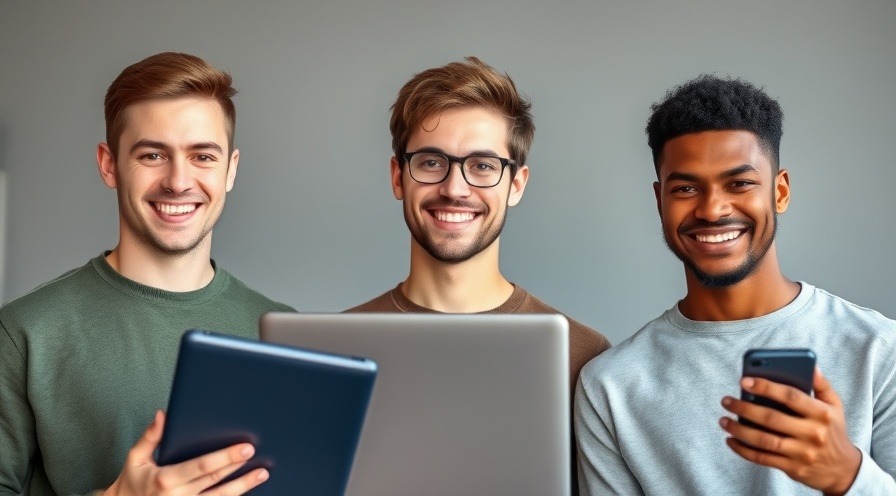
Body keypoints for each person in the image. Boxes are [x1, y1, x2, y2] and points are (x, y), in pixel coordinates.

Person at [574, 74, 896, 495]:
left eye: (739, 183)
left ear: (779, 192)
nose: (712, 209)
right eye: (686, 188)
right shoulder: (611, 386)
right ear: (659, 201)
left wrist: (846, 476)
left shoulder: (878, 350)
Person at [0, 52, 293, 495]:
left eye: (202, 156)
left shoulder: (283, 335)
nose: (178, 181)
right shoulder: (23, 333)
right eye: (153, 154)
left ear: (230, 169)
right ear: (108, 164)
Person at [347, 56, 610, 494]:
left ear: (517, 184)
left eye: (483, 166)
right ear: (398, 177)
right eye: (431, 162)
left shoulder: (584, 356)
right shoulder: (334, 351)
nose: (454, 187)